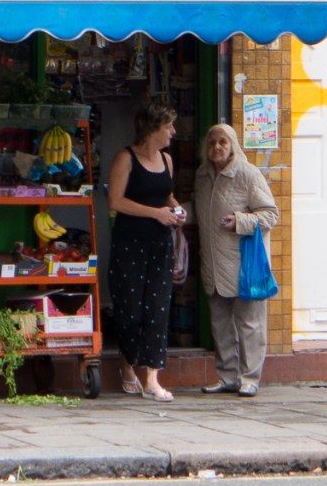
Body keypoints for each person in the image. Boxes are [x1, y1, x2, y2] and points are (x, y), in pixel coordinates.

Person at [193, 123, 280, 398]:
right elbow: (200, 211)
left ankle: (250, 378)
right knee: (220, 324)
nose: (216, 147)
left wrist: (240, 221)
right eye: (211, 143)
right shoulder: (202, 175)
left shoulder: (247, 174)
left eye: (223, 142)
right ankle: (227, 376)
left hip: (244, 266)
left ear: (232, 146)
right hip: (214, 266)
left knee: (250, 323)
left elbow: (270, 214)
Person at [107, 100, 185, 402]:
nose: (173, 132)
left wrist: (176, 209)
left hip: (160, 243)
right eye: (168, 126)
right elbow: (116, 201)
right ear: (153, 128)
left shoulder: (166, 160)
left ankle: (152, 377)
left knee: (158, 308)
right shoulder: (125, 158)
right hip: (130, 243)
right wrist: (155, 213)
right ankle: (127, 366)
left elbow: (165, 194)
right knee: (130, 308)